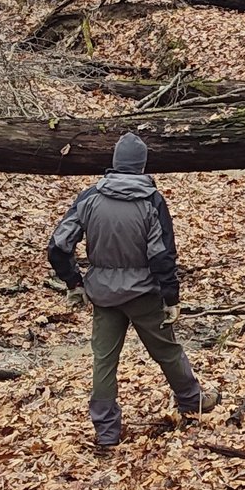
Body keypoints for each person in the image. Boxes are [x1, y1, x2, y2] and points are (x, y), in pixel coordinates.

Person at [47, 133, 217, 447]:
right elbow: (162, 255)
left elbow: (58, 245)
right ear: (141, 165)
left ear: (115, 163)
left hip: (103, 295)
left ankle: (106, 433)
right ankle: (192, 402)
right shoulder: (152, 201)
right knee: (167, 351)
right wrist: (171, 297)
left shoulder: (90, 197)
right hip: (144, 295)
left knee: (104, 361)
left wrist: (74, 283)